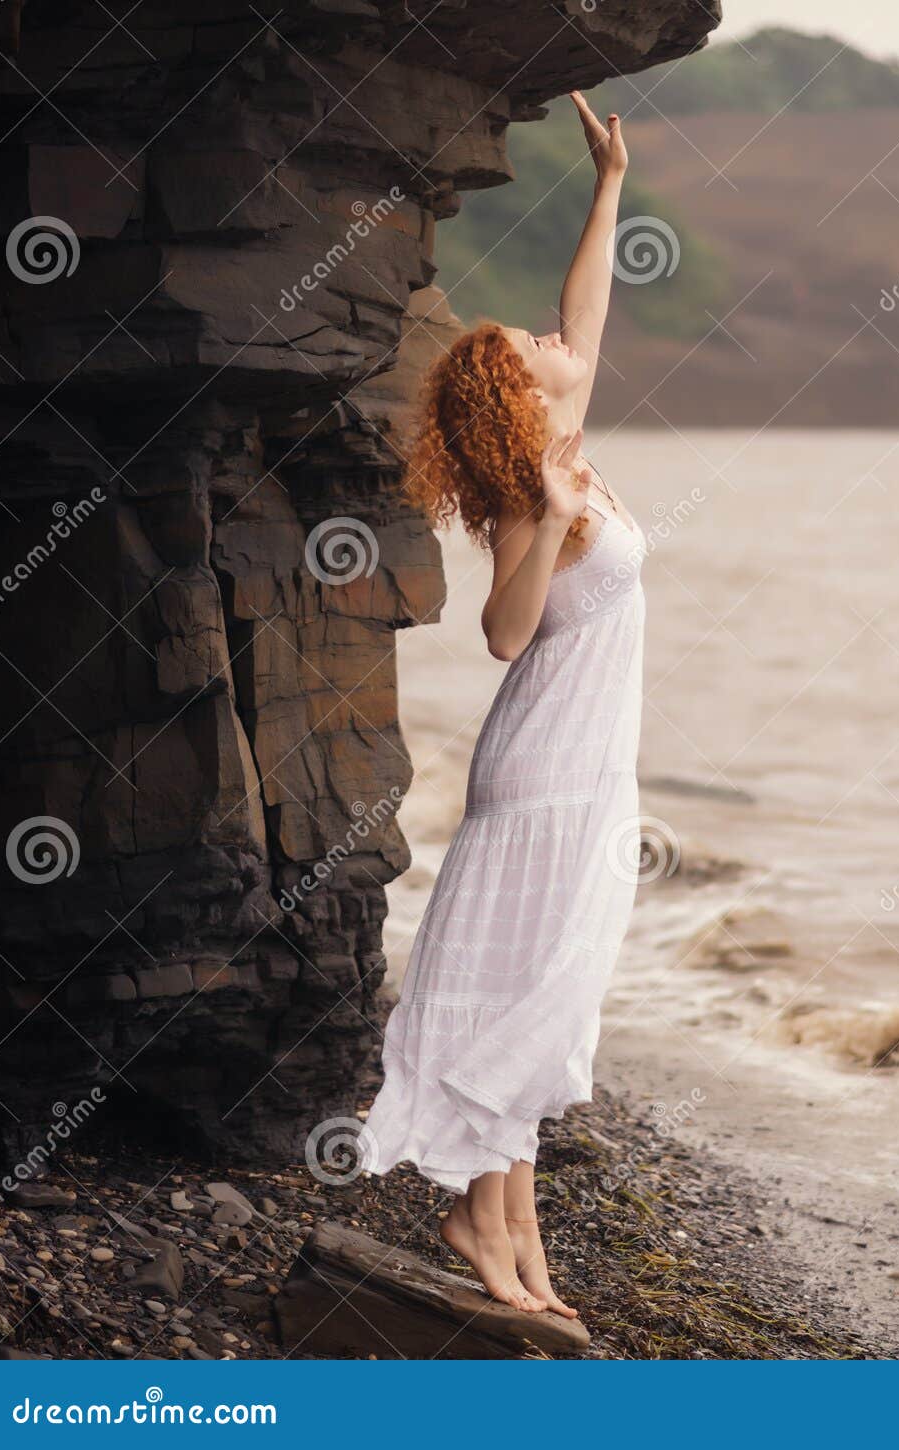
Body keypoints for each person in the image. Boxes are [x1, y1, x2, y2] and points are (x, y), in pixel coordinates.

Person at [361, 92, 641, 1318]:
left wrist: (609, 185)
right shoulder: (537, 486)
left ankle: (513, 1226)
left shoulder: (557, 444)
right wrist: (551, 510)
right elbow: (504, 631)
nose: (550, 335)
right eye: (533, 347)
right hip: (543, 772)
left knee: (551, 991)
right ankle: (481, 1219)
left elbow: (588, 309)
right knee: (531, 986)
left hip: (589, 766)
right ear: (515, 398)